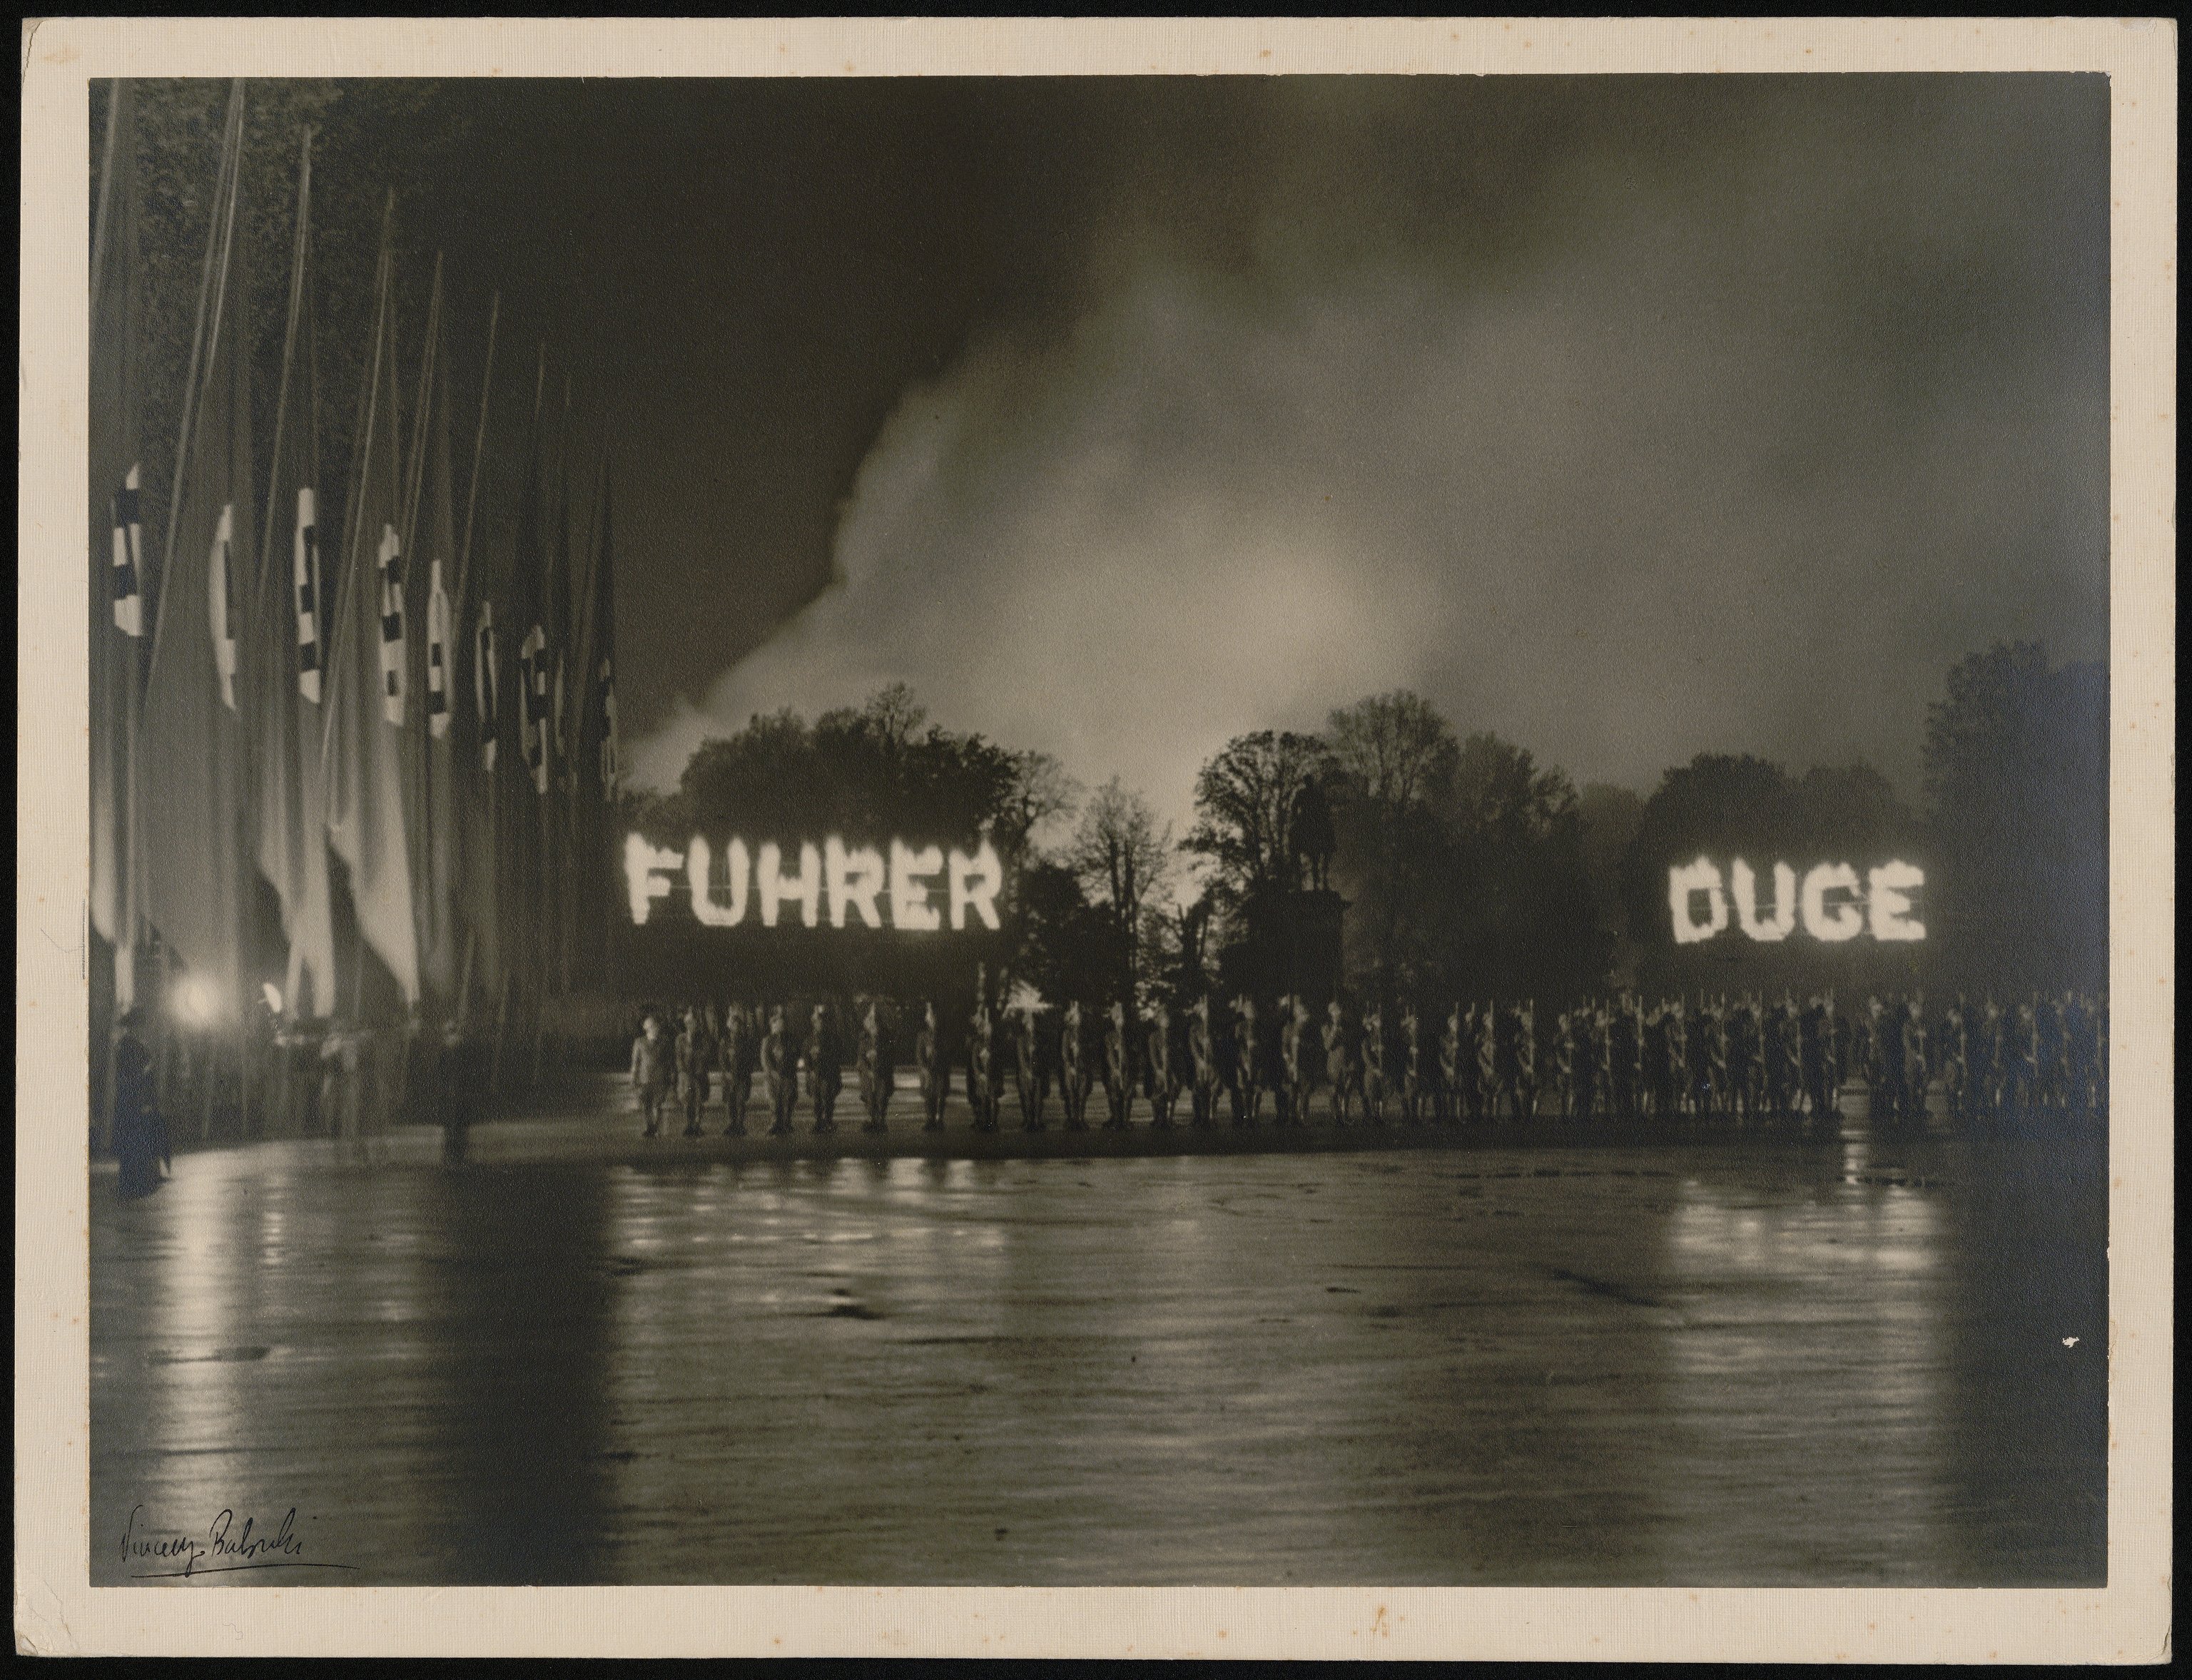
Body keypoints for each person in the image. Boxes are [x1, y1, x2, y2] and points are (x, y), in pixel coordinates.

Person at [110, 1008, 169, 1201]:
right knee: (136, 1143)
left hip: (135, 1101)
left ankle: (139, 1181)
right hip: (134, 1102)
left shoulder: (131, 1045)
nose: (145, 1029)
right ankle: (136, 1184)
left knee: (139, 1143)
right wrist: (147, 1069)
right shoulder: (130, 1046)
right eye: (142, 1025)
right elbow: (134, 1076)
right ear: (135, 1026)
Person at [631, 1011, 672, 1139]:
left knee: (657, 1105)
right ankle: (650, 1128)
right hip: (645, 1079)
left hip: (660, 1078)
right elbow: (636, 1061)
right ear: (645, 1028)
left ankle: (656, 1127)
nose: (653, 1028)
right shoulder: (639, 1042)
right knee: (647, 1106)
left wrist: (670, 1075)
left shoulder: (664, 1041)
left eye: (654, 1025)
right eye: (650, 1025)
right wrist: (634, 1077)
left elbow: (668, 1060)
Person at [1013, 1000, 1049, 1132]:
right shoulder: (1021, 1039)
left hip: (1037, 1072)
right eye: (1029, 1022)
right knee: (1027, 1097)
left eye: (1033, 1022)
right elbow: (1021, 1058)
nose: (1032, 1025)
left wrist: (1036, 1067)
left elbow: (1043, 1055)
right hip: (1026, 1073)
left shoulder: (1039, 1038)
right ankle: (1029, 1120)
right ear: (1026, 1024)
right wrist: (1027, 1070)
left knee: (1038, 1097)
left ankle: (1038, 1121)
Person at [676, 1006, 711, 1139]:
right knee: (687, 1101)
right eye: (688, 1023)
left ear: (697, 1024)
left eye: (692, 1023)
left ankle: (697, 1125)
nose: (690, 1025)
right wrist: (683, 1072)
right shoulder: (680, 1039)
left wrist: (699, 1070)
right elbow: (678, 1058)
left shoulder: (703, 1039)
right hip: (686, 1076)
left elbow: (705, 1055)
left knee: (698, 1101)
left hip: (699, 1075)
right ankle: (688, 1124)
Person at [719, 1002, 753, 1136]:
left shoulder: (746, 1041)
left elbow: (749, 1059)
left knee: (740, 1101)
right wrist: (726, 1072)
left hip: (742, 1077)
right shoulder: (725, 1041)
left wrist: (744, 1073)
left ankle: (740, 1124)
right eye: (733, 1024)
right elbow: (721, 1058)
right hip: (728, 1077)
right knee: (729, 1101)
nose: (736, 1027)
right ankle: (731, 1124)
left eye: (738, 1025)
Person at [808, 1004, 843, 1134]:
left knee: (828, 1099)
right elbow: (806, 1055)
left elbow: (837, 1055)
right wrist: (810, 1069)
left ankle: (828, 1120)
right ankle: (818, 1121)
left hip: (828, 1074)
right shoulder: (810, 1039)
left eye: (821, 1021)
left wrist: (822, 1054)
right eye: (817, 1021)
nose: (819, 1023)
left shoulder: (833, 1038)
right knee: (817, 1100)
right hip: (815, 1075)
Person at [915, 1001, 949, 1132]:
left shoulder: (943, 1035)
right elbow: (919, 1055)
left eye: (932, 1016)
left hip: (940, 1070)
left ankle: (939, 1119)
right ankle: (930, 1119)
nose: (931, 1018)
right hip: (928, 1072)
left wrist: (938, 1053)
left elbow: (947, 1051)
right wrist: (924, 1068)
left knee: (940, 1094)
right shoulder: (923, 1036)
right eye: (929, 1016)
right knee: (929, 1096)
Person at [1147, 998, 1180, 1129]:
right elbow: (1153, 1055)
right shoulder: (1154, 1036)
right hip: (1159, 1070)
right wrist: (1158, 1070)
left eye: (1167, 1017)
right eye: (1164, 1017)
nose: (1167, 1020)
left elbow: (1176, 1054)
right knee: (1159, 1093)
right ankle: (1158, 1118)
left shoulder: (1172, 1036)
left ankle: (1170, 1119)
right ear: (1159, 1020)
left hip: (1171, 1070)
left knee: (1173, 1092)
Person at [763, 1005, 796, 1136]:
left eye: (782, 1023)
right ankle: (775, 1123)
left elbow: (794, 1056)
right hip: (772, 1077)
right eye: (777, 1023)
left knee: (788, 1101)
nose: (779, 1025)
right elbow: (765, 1059)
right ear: (773, 1025)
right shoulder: (768, 1041)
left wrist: (789, 1070)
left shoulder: (790, 1039)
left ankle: (786, 1123)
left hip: (787, 1076)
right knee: (774, 1102)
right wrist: (772, 1071)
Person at [1059, 999, 1092, 1131]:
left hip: (1083, 1068)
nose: (1078, 1018)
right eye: (1076, 1016)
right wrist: (1070, 1065)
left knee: (1082, 1094)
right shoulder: (1067, 1033)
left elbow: (1090, 1050)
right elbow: (1064, 1052)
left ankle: (1081, 1119)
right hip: (1071, 1069)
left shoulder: (1084, 1033)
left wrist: (1081, 1049)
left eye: (1079, 1016)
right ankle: (1072, 1119)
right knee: (1071, 1094)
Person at [1187, 995, 1219, 1129]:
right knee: (1200, 1091)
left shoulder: (1211, 1028)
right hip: (1200, 1065)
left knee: (1213, 1091)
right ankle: (1199, 1117)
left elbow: (1217, 1046)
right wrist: (1199, 1059)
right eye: (1203, 1012)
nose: (1206, 1014)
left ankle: (1211, 1117)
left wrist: (1210, 1045)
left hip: (1212, 1064)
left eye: (1207, 1012)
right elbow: (1193, 1046)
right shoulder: (1195, 1029)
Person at [1102, 999, 1135, 1129]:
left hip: (1127, 1069)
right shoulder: (1110, 1036)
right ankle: (1116, 1120)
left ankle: (1126, 1120)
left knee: (1127, 1094)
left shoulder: (1128, 1035)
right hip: (1115, 1070)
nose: (1121, 1021)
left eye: (1122, 1018)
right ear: (1115, 1020)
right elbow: (1109, 1053)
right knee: (1115, 1094)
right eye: (1118, 1018)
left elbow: (1133, 1050)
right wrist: (1114, 1067)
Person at [1324, 999, 1357, 1127]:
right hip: (1334, 1065)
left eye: (1339, 1011)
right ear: (1331, 1013)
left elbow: (1352, 1043)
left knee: (1347, 1091)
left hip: (1348, 1064)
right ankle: (1336, 1116)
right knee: (1334, 1092)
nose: (1338, 1014)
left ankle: (1345, 1114)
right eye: (1335, 1011)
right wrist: (1334, 1030)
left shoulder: (1348, 1025)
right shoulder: (1326, 1027)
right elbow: (1327, 1046)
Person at [1360, 1002, 1388, 1125]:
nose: (1379, 1024)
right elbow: (1366, 1057)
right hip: (1372, 1071)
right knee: (1372, 1094)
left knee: (1383, 1094)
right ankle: (1373, 1116)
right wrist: (1375, 1068)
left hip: (1383, 1071)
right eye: (1376, 1022)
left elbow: (1389, 1055)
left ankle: (1381, 1116)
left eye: (1380, 1021)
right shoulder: (1367, 1040)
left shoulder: (1386, 1038)